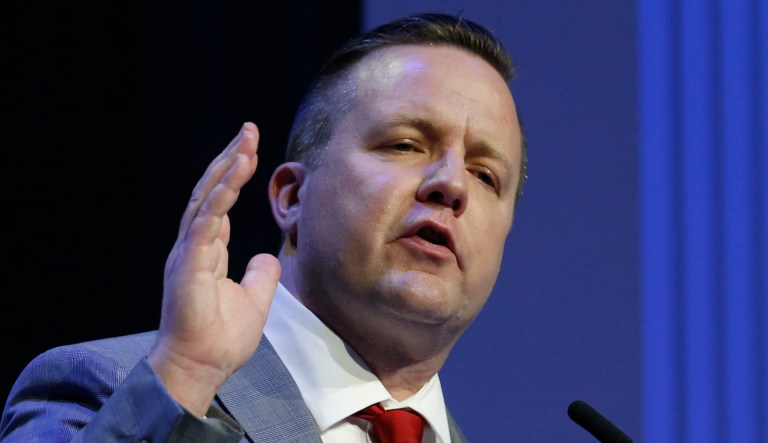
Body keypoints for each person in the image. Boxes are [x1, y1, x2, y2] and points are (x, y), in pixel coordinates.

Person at [0, 12, 526, 442]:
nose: (451, 184)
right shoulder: (106, 388)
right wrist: (186, 376)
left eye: (485, 174)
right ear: (293, 196)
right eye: (406, 144)